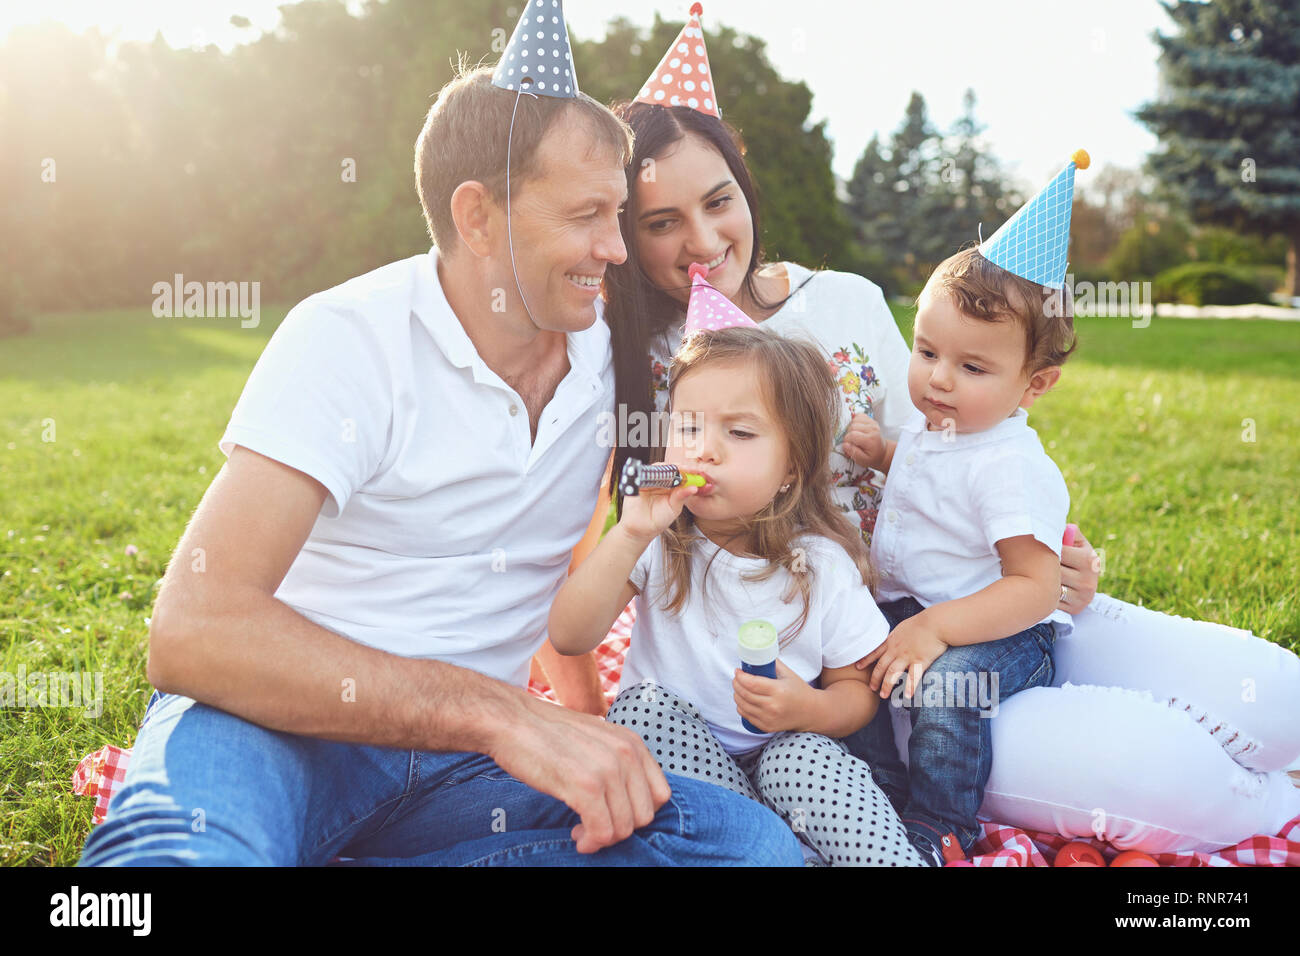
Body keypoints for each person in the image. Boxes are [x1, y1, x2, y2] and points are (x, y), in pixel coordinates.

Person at [595, 8, 1300, 852]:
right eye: (660, 222)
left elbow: (950, 441)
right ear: (625, 236)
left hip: (982, 601)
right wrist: (578, 719)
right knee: (1176, 779)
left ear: (744, 187)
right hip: (865, 662)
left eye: (717, 201)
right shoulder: (636, 362)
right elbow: (583, 562)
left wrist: (1045, 553)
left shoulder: (846, 299)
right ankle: (1255, 814)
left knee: (1277, 696)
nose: (704, 242)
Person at [78, 48, 804, 867]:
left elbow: (561, 564)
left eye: (619, 216)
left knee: (744, 847)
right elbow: (194, 631)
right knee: (185, 858)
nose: (617, 249)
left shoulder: (613, 361)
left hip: (464, 780)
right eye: (586, 216)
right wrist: (502, 714)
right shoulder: (350, 336)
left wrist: (580, 726)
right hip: (275, 727)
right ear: (478, 217)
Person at [550, 309, 924, 866]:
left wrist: (808, 710)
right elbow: (569, 635)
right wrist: (628, 533)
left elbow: (857, 695)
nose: (705, 451)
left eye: (740, 432)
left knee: (804, 756)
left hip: (781, 753)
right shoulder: (658, 542)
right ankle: (767, 849)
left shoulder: (822, 564)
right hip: (684, 763)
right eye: (688, 427)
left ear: (792, 466)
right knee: (639, 713)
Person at [843, 238, 1079, 865]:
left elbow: (1033, 586)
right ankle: (878, 789)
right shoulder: (936, 423)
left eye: (973, 368)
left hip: (1005, 630)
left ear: (1035, 384)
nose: (940, 379)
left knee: (949, 689)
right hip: (920, 607)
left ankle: (941, 824)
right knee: (849, 646)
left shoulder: (1009, 466)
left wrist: (935, 628)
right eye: (926, 352)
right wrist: (884, 455)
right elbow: (930, 476)